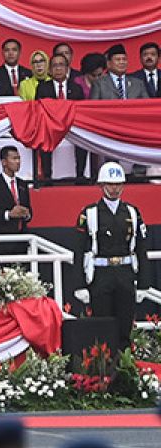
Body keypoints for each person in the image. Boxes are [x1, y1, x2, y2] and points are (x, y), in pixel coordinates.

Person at [72, 161, 150, 348]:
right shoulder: (89, 213)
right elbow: (79, 250)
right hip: (100, 275)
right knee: (103, 327)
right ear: (101, 185)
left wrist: (144, 284)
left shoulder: (132, 212)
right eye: (110, 184)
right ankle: (104, 372)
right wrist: (80, 284)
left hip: (125, 273)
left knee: (125, 328)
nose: (114, 189)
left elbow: (141, 247)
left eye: (118, 184)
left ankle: (124, 369)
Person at [35, 56, 87, 182]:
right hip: (50, 126)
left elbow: (81, 111)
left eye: (61, 65)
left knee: (83, 139)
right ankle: (47, 177)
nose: (58, 68)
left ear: (67, 68)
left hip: (73, 127)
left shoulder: (76, 88)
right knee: (44, 137)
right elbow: (39, 109)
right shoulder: (43, 88)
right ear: (50, 70)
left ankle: (80, 175)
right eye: (54, 66)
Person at [0, 146, 32, 255]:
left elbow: (29, 210)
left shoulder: (23, 184)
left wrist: (26, 214)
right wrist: (8, 214)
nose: (18, 162)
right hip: (2, 239)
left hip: (21, 238)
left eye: (19, 158)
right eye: (14, 158)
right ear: (4, 162)